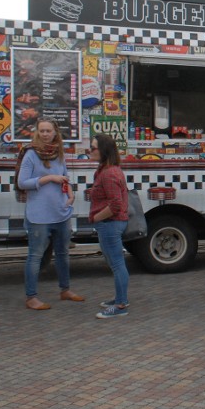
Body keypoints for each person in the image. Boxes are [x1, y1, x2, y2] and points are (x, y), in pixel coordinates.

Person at [17, 118, 82, 311]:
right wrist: (48, 178)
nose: (45, 134)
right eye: (42, 131)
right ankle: (31, 297)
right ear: (37, 132)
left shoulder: (59, 154)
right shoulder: (30, 154)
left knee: (63, 253)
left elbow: (64, 177)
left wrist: (70, 193)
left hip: (61, 212)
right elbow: (22, 183)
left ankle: (65, 290)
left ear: (55, 133)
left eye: (48, 131)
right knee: (35, 256)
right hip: (39, 215)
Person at [89, 134, 131, 318]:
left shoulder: (109, 173)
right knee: (116, 263)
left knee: (116, 264)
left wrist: (97, 217)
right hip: (110, 223)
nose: (90, 151)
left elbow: (115, 204)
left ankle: (121, 305)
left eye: (93, 148)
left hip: (110, 224)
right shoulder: (107, 170)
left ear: (104, 150)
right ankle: (120, 299)